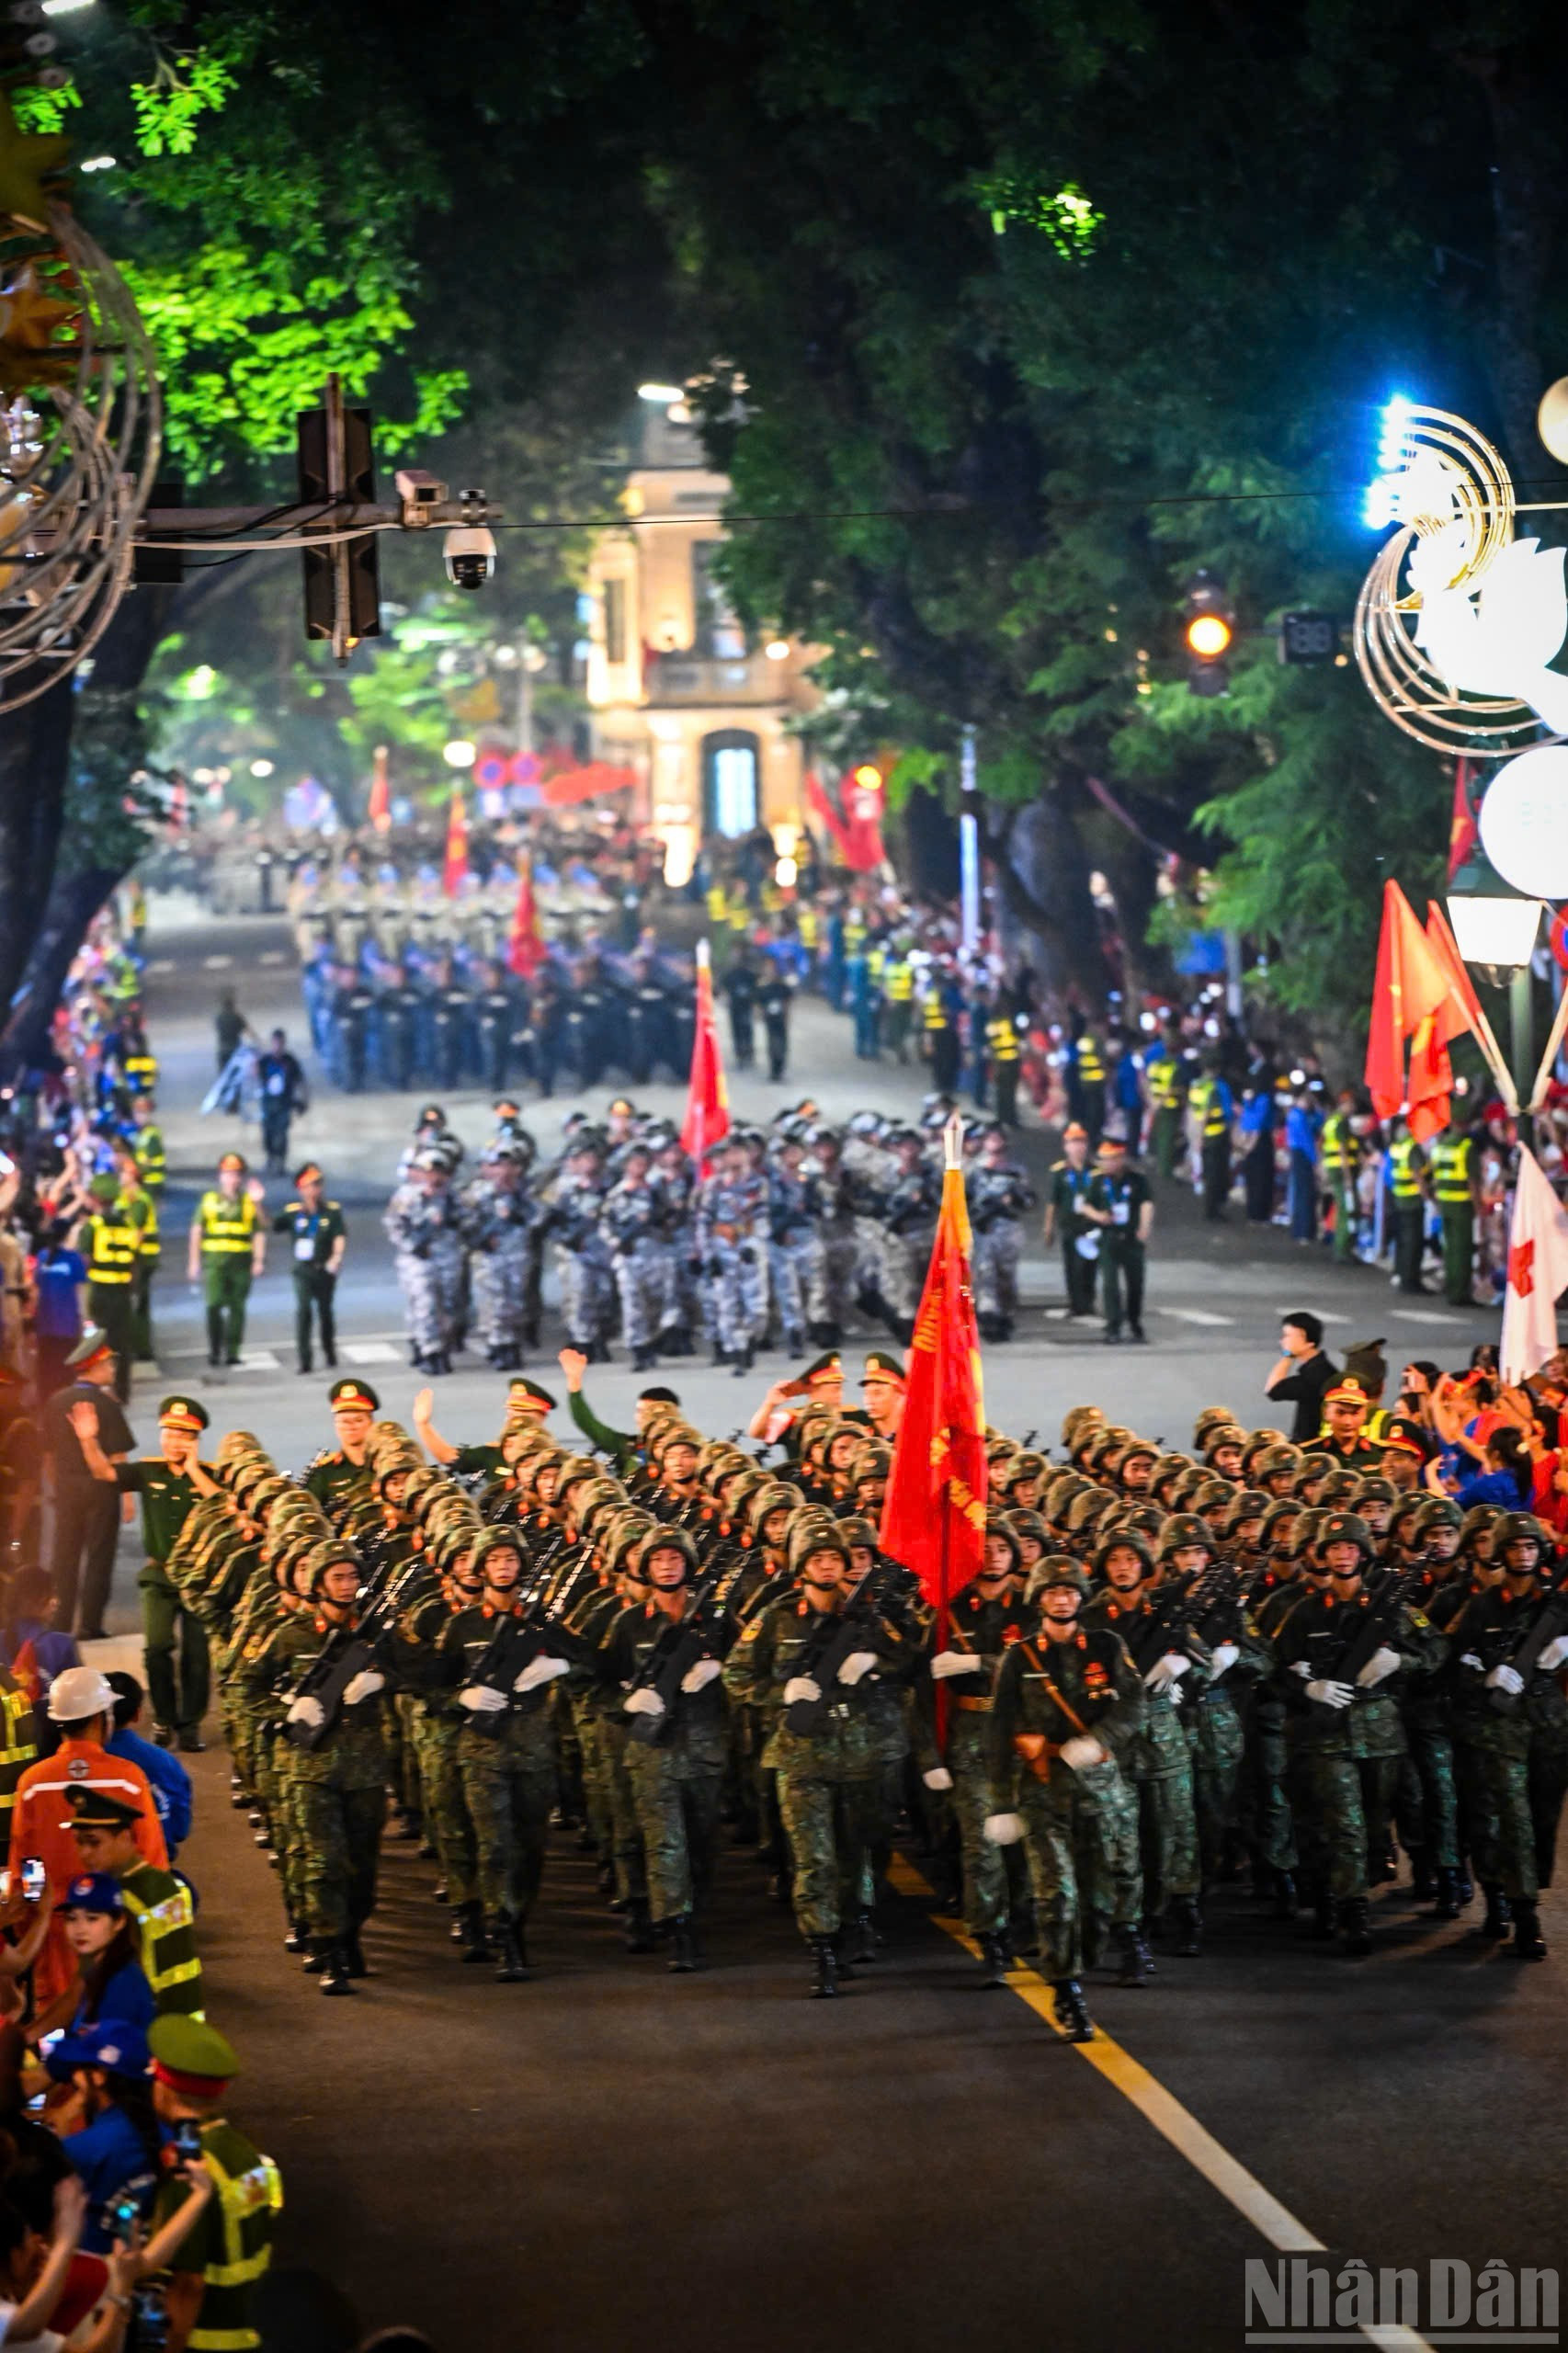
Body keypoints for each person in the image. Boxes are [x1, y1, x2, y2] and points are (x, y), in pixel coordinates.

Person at [8, 1668, 167, 2012]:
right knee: (114, 2022)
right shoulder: (128, 1780)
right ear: (101, 1717)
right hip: (116, 1931)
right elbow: (152, 1864)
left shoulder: (33, 1783)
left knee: (60, 2030)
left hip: (55, 1934)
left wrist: (35, 1925)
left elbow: (27, 1865)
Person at [69, 1395, 210, 1752]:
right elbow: (104, 1472)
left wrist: (193, 1469)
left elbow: (223, 1503)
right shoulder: (148, 1471)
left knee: (197, 1653)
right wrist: (89, 1439)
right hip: (159, 1576)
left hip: (199, 1579)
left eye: (184, 1436)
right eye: (169, 1434)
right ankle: (164, 1718)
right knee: (157, 1647)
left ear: (196, 1440)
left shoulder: (209, 1474)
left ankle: (190, 1724)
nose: (174, 1442)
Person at [147, 2015, 281, 2353]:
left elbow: (188, 2284)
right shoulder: (244, 2152)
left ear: (165, 2087)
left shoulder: (189, 2173)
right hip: (253, 2332)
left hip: (204, 2342)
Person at [64, 1789, 202, 2021]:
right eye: (80, 1843)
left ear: (126, 1838)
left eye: (94, 1843)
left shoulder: (149, 1895)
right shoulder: (110, 1888)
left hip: (147, 2034)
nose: (84, 1853)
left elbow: (173, 1981)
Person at [43, 1330, 133, 1643]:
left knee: (63, 1556)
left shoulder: (56, 1401)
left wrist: (58, 1488)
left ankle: (58, 1621)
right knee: (99, 1556)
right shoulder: (107, 1404)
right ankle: (90, 1624)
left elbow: (48, 1454)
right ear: (94, 1366)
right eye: (108, 1364)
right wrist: (129, 1498)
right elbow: (119, 1456)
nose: (112, 1369)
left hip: (67, 1490)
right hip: (101, 1490)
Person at [48, 1872, 155, 2038]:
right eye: (71, 1918)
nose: (80, 1929)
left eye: (92, 1919)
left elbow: (104, 2054)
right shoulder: (100, 1971)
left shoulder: (123, 1983)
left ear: (119, 1921)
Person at [187, 1156, 266, 1371]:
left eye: (237, 1174)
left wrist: (259, 1260)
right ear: (220, 1176)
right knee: (213, 1306)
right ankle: (214, 1349)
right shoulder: (209, 1200)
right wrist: (194, 1262)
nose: (233, 1179)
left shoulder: (248, 1202)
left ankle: (233, 1352)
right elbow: (197, 1231)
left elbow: (260, 1230)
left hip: (241, 1263)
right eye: (229, 1174)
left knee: (237, 1309)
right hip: (215, 1263)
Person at [102, 1675, 193, 1859]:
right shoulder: (165, 1761)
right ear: (138, 1714)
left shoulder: (73, 1765)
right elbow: (180, 1829)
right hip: (155, 1870)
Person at [270, 1164, 347, 1375]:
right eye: (311, 1185)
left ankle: (329, 1351)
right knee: (303, 1311)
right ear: (301, 1189)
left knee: (325, 1313)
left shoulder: (332, 1211)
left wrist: (337, 1257)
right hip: (302, 1270)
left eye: (318, 1184)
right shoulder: (293, 1213)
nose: (316, 1189)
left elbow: (339, 1236)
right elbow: (270, 1225)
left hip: (324, 1269)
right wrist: (258, 1203)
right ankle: (305, 1360)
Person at [1082, 1134, 1153, 1345]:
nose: (1107, 1163)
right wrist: (1098, 1216)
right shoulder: (1097, 1181)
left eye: (1111, 1158)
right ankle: (1113, 1326)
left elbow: (1146, 1203)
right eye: (1103, 1159)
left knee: (1135, 1284)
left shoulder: (1137, 1180)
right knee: (1110, 1285)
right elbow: (1086, 1205)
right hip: (1108, 1237)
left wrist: (1144, 1227)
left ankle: (1134, 1322)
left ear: (1121, 1158)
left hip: (1131, 1238)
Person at [80, 1176, 137, 1405]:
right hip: (122, 1292)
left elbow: (85, 1259)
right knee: (121, 1343)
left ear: (95, 1199)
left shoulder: (92, 1226)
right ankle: (122, 1391)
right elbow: (134, 1261)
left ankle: (100, 1389)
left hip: (100, 1292)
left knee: (98, 1342)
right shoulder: (127, 1225)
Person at [1042, 1123, 1096, 1320]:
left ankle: (1088, 1301)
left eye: (1081, 1142)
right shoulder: (1060, 1172)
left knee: (1089, 1265)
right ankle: (1076, 1303)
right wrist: (1048, 1227)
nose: (1078, 1147)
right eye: (1073, 1143)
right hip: (1069, 1225)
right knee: (1072, 1266)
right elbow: (1053, 1201)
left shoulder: (1095, 1171)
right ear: (1066, 1146)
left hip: (1090, 1225)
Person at [1428, 1111, 1480, 1307]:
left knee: (1450, 1249)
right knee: (1462, 1250)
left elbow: (1435, 1176)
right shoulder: (1466, 1147)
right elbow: (1472, 1181)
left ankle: (1451, 1289)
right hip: (1462, 1205)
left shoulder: (1440, 1146)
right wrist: (1478, 1207)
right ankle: (1460, 1294)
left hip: (1444, 1203)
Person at [1264, 1312, 1339, 1444]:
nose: (1282, 1341)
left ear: (1303, 1337)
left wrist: (1288, 1355)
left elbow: (1273, 1390)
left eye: (1287, 1335)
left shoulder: (1317, 1374)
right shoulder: (1320, 1368)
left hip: (1313, 1445)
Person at [30, 1223, 85, 1402]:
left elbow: (36, 1289)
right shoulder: (74, 1259)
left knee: (46, 1369)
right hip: (67, 1326)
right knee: (67, 1370)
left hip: (45, 1325)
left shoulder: (43, 1257)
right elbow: (80, 1294)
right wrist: (85, 1323)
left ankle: (46, 1408)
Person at [255, 1029, 308, 1176]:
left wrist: (303, 1099)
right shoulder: (265, 1060)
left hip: (284, 1103)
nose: (277, 1046)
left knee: (282, 1134)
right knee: (268, 1134)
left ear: (284, 1043)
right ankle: (270, 1158)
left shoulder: (290, 1061)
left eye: (280, 1043)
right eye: (275, 1043)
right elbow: (255, 1075)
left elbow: (300, 1081)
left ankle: (280, 1162)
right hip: (268, 1103)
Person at [1386, 1116, 1429, 1294]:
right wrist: (1428, 1197)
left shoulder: (1397, 1146)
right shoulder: (1412, 1147)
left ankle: (1403, 1275)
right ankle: (1411, 1281)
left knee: (1404, 1241)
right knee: (1413, 1242)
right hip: (1413, 1201)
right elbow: (1418, 1175)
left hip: (1399, 1199)